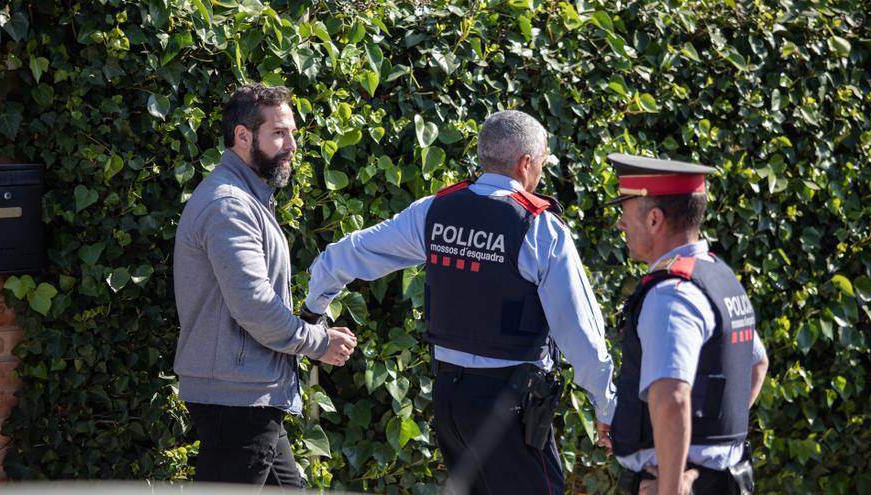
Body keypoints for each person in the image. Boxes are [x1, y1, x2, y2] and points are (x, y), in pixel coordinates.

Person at [300, 110, 617, 494]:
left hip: (451, 401)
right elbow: (580, 330)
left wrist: (313, 312)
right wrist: (607, 406)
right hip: (511, 404)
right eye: (543, 164)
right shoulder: (538, 228)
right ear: (526, 163)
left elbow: (345, 254)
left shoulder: (435, 210)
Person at [172, 84, 357, 487]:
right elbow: (254, 305)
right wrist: (318, 342)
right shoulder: (229, 205)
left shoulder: (248, 197)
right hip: (236, 399)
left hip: (250, 392)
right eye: (278, 133)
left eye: (292, 132)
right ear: (243, 136)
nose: (291, 144)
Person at [605, 153, 769, 495]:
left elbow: (673, 398)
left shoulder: (671, 294)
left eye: (625, 211)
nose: (621, 224)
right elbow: (757, 364)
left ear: (654, 219)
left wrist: (672, 483)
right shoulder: (718, 276)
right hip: (720, 478)